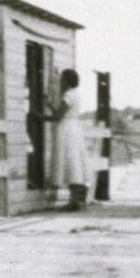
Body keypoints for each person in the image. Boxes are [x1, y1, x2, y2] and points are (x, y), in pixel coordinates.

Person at [49, 69, 91, 211]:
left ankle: (74, 201)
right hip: (74, 128)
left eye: (62, 79)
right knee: (75, 162)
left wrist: (38, 115)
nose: (60, 81)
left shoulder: (68, 95)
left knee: (69, 161)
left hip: (66, 129)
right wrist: (49, 105)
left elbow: (58, 116)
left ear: (67, 81)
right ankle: (77, 199)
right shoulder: (75, 95)